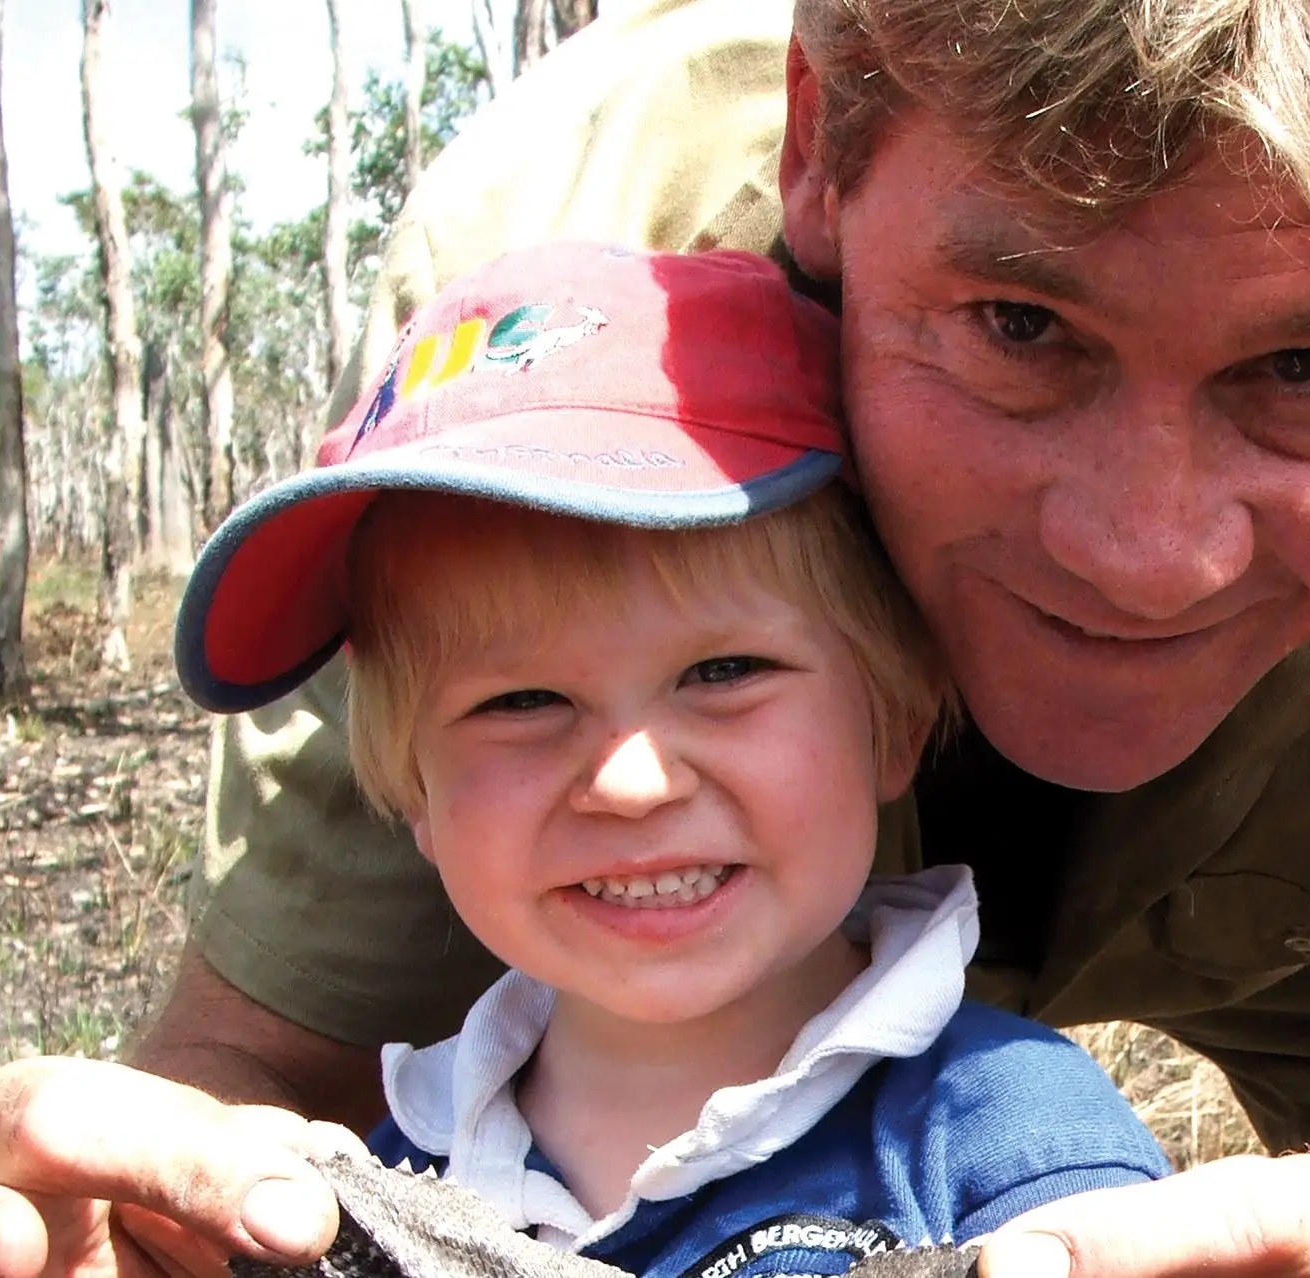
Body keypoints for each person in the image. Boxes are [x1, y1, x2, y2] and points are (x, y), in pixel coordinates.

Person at [0, 0, 1310, 1274]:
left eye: (1303, 370)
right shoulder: (546, 305)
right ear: (818, 147)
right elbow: (248, 1098)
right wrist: (147, 1215)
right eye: (1016, 322)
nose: (1145, 556)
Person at [169, 241, 1168, 1272]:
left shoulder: (1014, 1153)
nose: (632, 781)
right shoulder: (372, 1182)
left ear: (896, 719)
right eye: (520, 701)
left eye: (723, 671)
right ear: (411, 791)